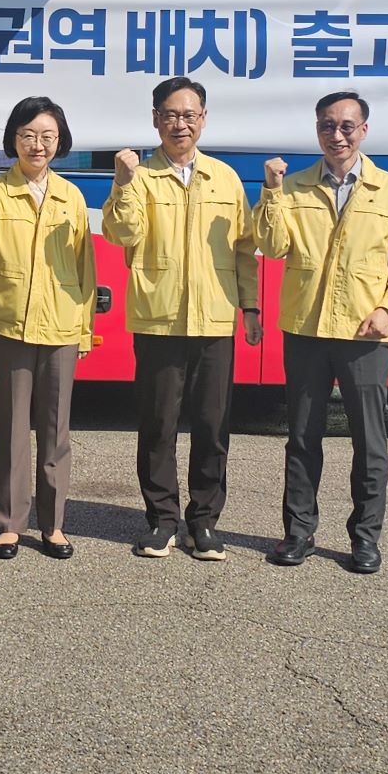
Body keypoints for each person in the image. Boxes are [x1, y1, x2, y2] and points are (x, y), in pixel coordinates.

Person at [256, 90, 388, 576]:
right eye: (328, 126)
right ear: (317, 131)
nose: (337, 135)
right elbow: (271, 246)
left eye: (347, 126)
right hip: (306, 329)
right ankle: (298, 532)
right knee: (302, 438)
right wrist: (270, 190)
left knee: (369, 441)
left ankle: (365, 539)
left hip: (365, 334)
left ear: (364, 130)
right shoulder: (295, 187)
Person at [102, 76, 260, 561]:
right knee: (158, 424)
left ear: (204, 119)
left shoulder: (225, 178)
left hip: (214, 320)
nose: (180, 124)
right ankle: (162, 521)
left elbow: (245, 250)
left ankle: (205, 522)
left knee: (213, 425)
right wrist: (125, 183)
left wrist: (250, 307)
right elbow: (119, 232)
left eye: (189, 115)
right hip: (158, 318)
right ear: (155, 119)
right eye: (170, 115)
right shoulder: (139, 175)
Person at [0, 97, 96, 561]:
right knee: (13, 426)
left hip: (60, 325)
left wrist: (84, 330)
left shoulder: (71, 196)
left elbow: (85, 269)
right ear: (13, 140)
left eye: (47, 136)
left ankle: (53, 525)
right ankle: (8, 524)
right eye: (28, 135)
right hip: (9, 324)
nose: (38, 145)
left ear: (61, 142)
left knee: (56, 430)